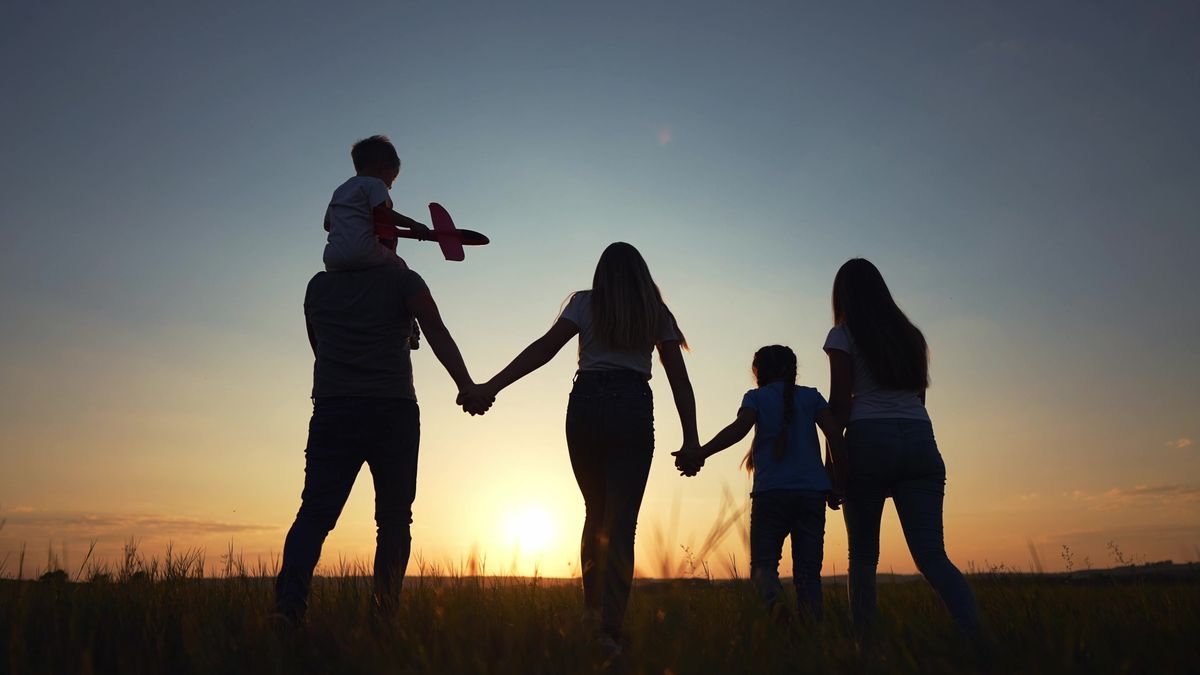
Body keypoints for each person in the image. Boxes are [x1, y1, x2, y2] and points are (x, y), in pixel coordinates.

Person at [459, 242, 699, 654]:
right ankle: (610, 630)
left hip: (586, 405)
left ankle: (592, 613)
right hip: (632, 406)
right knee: (621, 524)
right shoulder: (655, 312)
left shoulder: (585, 304)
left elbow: (544, 349)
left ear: (601, 273)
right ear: (641, 274)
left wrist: (490, 387)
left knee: (595, 512)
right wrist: (690, 439)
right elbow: (678, 378)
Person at [274, 236, 490, 623]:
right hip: (393, 409)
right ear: (386, 241)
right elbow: (436, 330)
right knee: (393, 519)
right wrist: (466, 386)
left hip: (333, 408)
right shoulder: (405, 281)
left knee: (314, 514)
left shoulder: (318, 286)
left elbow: (320, 346)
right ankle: (383, 617)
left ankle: (288, 612)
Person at [823, 258, 980, 637]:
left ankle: (866, 651)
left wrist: (832, 467)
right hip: (920, 440)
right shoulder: (912, 336)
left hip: (868, 439)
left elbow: (839, 405)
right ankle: (979, 641)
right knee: (932, 555)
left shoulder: (843, 334)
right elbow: (919, 399)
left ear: (842, 295)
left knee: (863, 556)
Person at [674, 345, 844, 622]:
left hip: (770, 495)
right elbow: (835, 437)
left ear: (759, 373)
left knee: (763, 568)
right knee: (809, 574)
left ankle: (776, 609)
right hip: (811, 494)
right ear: (792, 370)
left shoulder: (756, 398)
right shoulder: (812, 397)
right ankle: (811, 633)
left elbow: (738, 430)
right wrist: (836, 482)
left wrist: (701, 452)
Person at [322, 135, 431, 273]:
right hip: (364, 252)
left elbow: (327, 225)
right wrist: (413, 224)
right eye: (392, 178)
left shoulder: (340, 190)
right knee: (401, 268)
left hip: (332, 258)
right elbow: (383, 213)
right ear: (383, 168)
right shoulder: (375, 184)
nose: (390, 187)